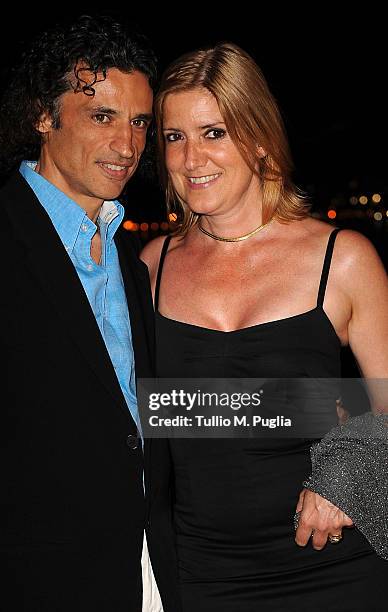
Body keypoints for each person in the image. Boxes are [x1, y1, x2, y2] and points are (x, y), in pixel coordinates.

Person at [0, 15, 179, 612]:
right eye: (102, 116)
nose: (128, 145)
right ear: (43, 115)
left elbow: (149, 415)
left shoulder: (131, 261)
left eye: (139, 122)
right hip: (32, 589)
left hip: (149, 576)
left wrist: (326, 415)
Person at [141, 42, 388, 611]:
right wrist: (303, 403)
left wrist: (351, 466)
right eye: (174, 137)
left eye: (214, 133)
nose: (191, 158)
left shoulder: (341, 258)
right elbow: (142, 413)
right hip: (202, 574)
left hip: (336, 565)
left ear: (258, 139)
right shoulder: (152, 266)